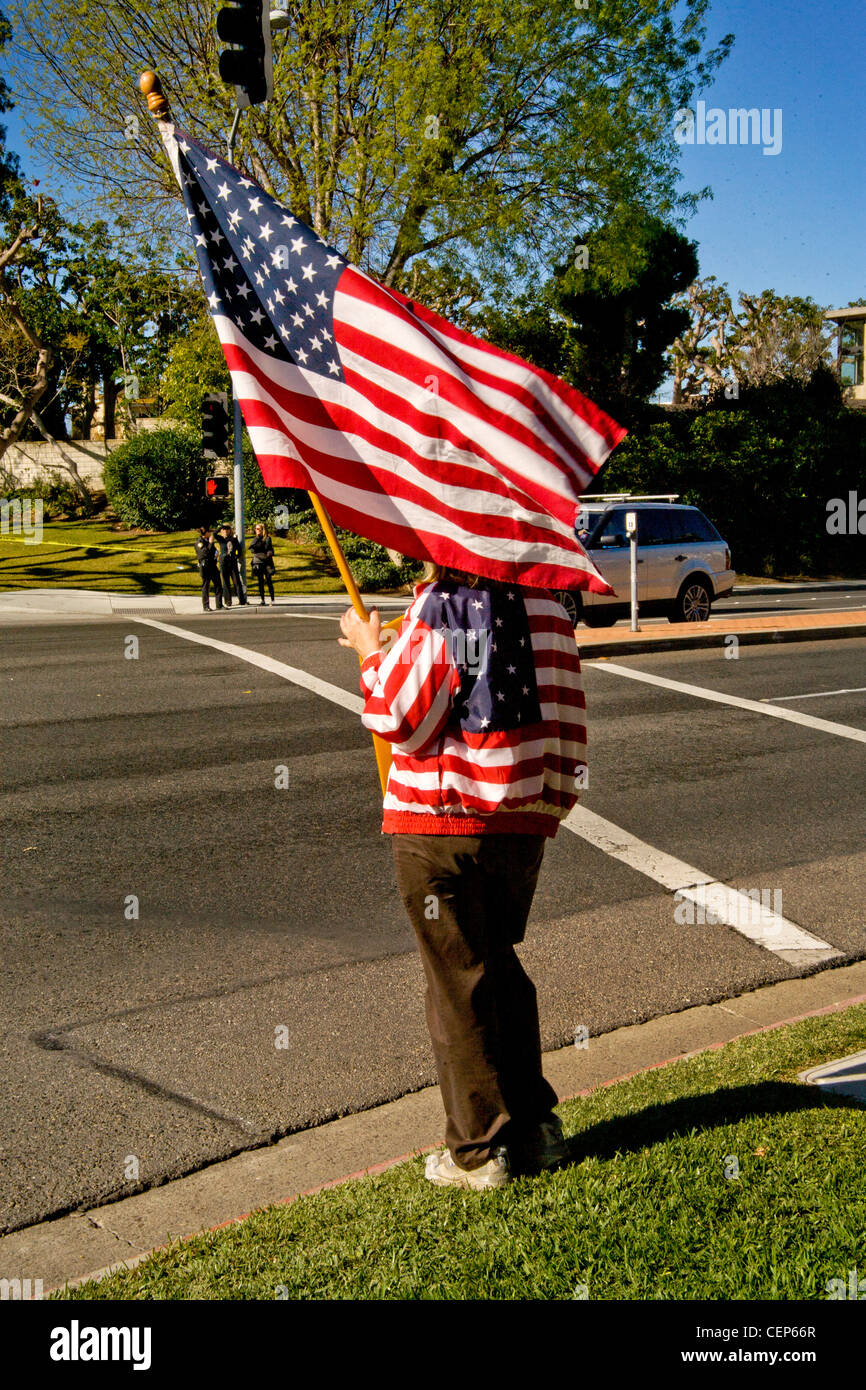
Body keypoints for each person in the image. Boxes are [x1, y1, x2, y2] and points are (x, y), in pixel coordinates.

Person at [338, 561, 587, 1191]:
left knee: (458, 984)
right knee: (498, 967)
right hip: (522, 824)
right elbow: (562, 726)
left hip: (440, 827)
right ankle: (534, 1127)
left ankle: (477, 1150)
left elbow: (402, 719)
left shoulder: (446, 604)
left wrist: (371, 652)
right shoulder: (551, 612)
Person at [215, 523, 247, 607]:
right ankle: (228, 601)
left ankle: (241, 600)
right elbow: (214, 534)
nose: (225, 530)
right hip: (223, 562)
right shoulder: (221, 539)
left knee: (236, 581)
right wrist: (220, 527)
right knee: (226, 582)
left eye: (227, 529)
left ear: (230, 530)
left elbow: (239, 550)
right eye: (224, 529)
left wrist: (235, 556)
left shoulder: (233, 539)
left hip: (232, 562)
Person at [194, 526, 223, 612]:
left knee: (218, 585)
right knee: (206, 586)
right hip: (205, 567)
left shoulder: (208, 540)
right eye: (209, 532)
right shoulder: (199, 543)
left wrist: (216, 552)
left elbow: (213, 550)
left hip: (213, 566)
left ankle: (219, 604)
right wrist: (210, 543)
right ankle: (206, 606)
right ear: (205, 533)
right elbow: (204, 553)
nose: (210, 533)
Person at [249, 521, 276, 605]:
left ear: (262, 530)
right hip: (258, 562)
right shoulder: (256, 539)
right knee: (260, 581)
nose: (256, 530)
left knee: (269, 580)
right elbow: (252, 549)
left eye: (258, 529)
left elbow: (268, 549)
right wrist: (257, 541)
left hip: (266, 562)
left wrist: (264, 553)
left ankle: (272, 599)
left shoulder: (267, 538)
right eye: (256, 529)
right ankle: (262, 599)